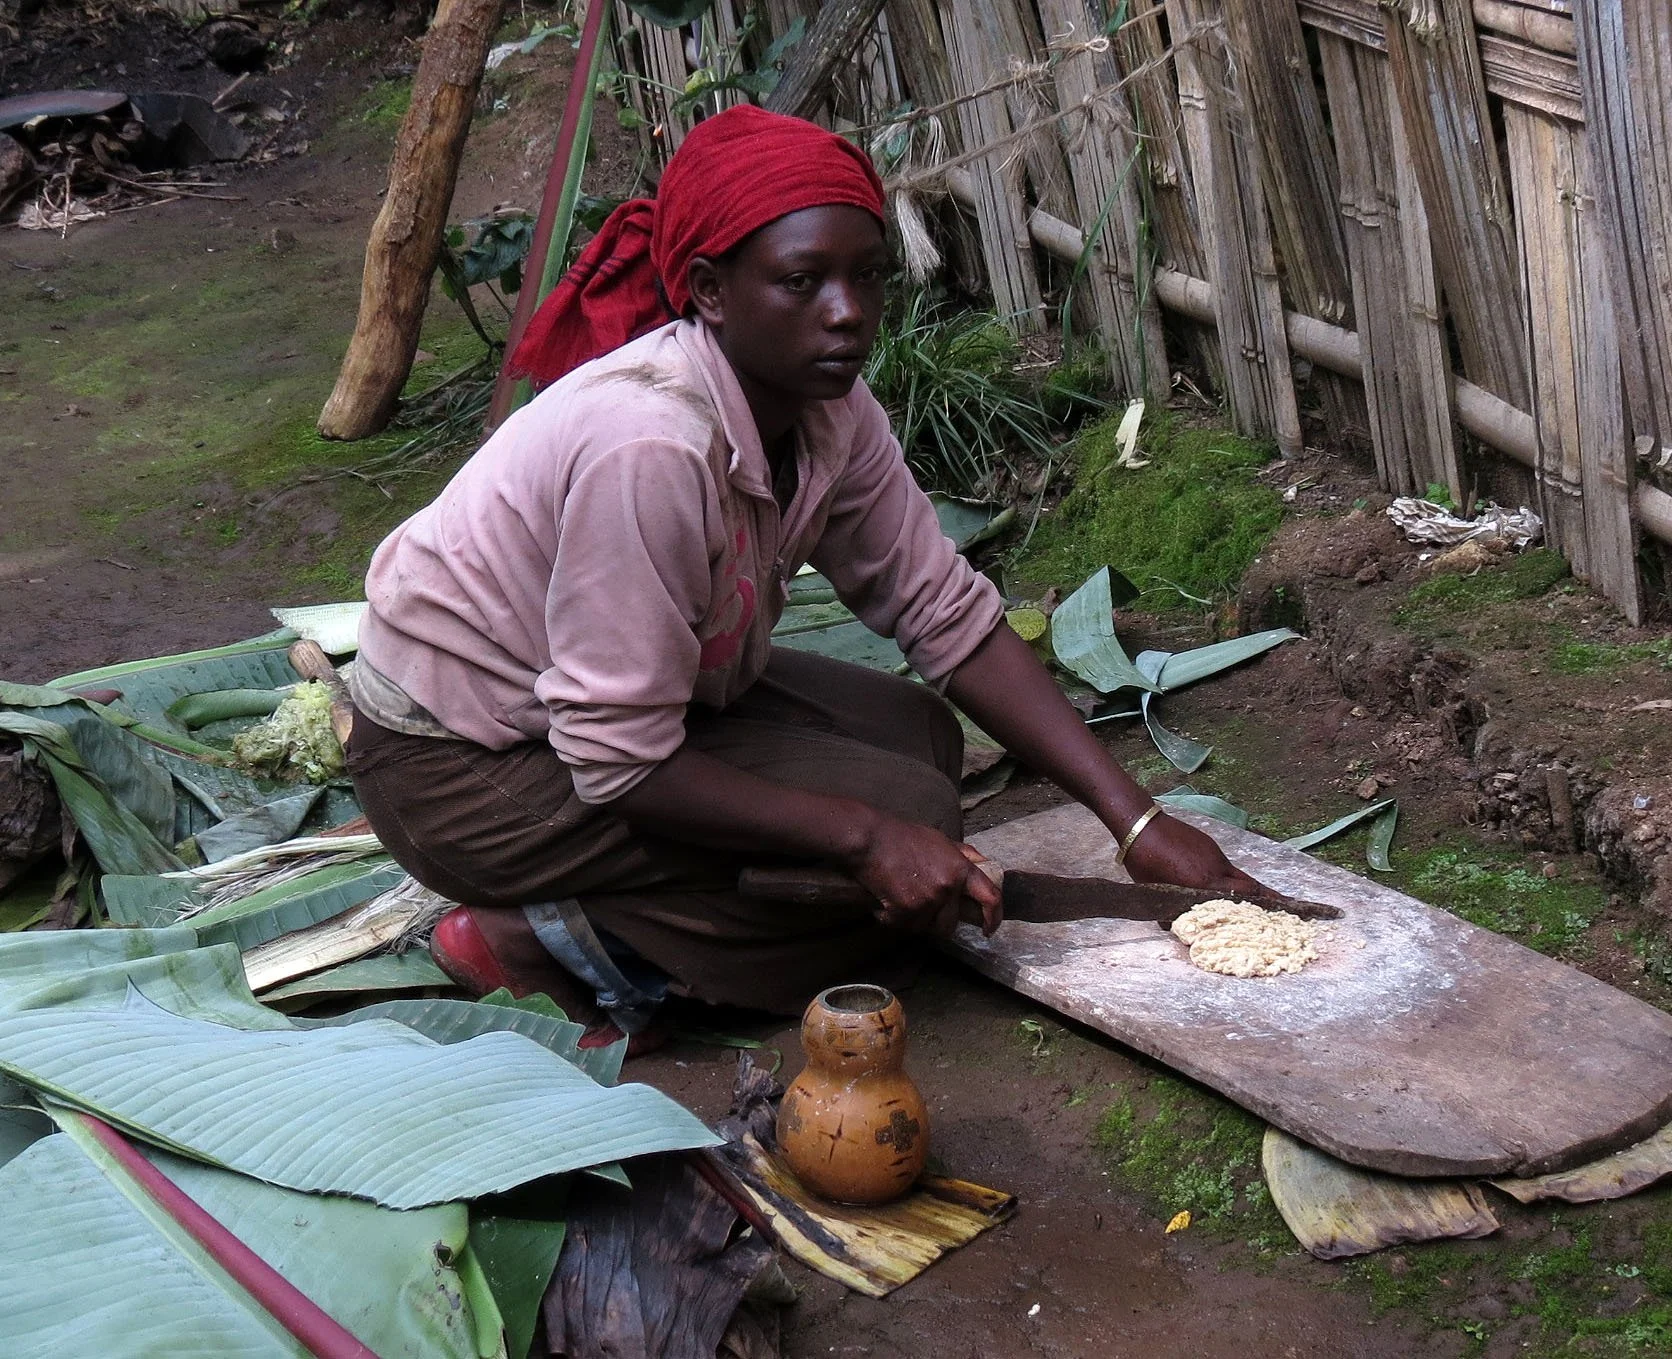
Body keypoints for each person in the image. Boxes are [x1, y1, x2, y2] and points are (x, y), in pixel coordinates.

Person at [343, 106, 1284, 1045]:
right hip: (460, 766)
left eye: (865, 275)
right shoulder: (651, 446)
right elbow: (618, 757)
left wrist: (1136, 823)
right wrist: (867, 839)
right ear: (709, 291)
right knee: (902, 830)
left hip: (584, 717)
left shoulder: (827, 405)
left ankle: (641, 906)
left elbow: (941, 612)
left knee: (920, 737)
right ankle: (546, 939)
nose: (847, 312)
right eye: (802, 281)